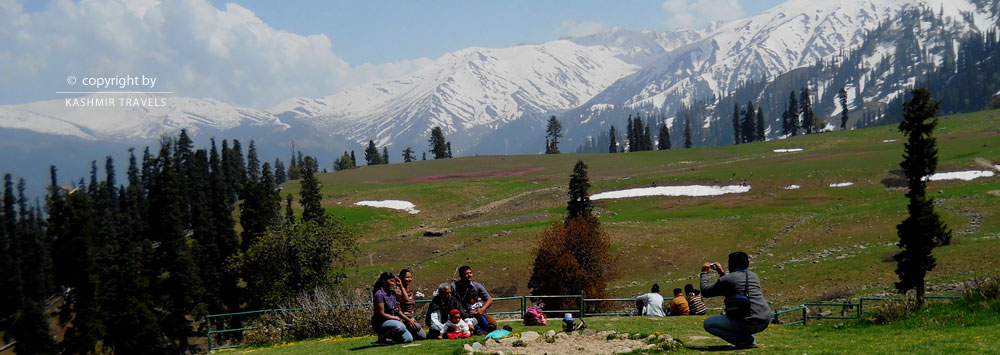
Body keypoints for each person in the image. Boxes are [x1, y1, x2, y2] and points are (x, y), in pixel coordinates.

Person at [700, 251, 772, 349]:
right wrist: (721, 273)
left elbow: (705, 291)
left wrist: (704, 273)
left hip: (747, 321)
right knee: (739, 318)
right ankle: (748, 338)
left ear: (731, 265)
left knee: (709, 324)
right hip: (764, 320)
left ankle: (744, 340)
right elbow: (734, 284)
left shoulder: (727, 279)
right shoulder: (753, 276)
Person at [371, 272, 413, 345]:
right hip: (382, 322)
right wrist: (395, 318)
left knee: (408, 339)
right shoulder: (379, 294)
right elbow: (381, 313)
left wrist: (401, 286)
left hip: (393, 321)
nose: (393, 283)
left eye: (394, 281)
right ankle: (382, 337)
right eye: (391, 281)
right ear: (384, 281)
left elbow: (406, 299)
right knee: (401, 327)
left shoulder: (392, 293)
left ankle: (391, 337)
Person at [452, 265, 496, 333]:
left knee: (493, 324)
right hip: (460, 315)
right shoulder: (454, 287)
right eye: (466, 274)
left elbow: (489, 300)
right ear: (461, 276)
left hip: (476, 313)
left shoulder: (477, 286)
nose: (469, 275)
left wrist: (482, 310)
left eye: (470, 273)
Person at [395, 268, 426, 340]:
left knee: (422, 336)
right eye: (407, 277)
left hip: (411, 318)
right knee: (418, 335)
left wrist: (412, 318)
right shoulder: (398, 292)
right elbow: (398, 309)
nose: (409, 279)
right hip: (404, 319)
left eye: (411, 277)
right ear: (401, 278)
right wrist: (408, 320)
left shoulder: (409, 291)